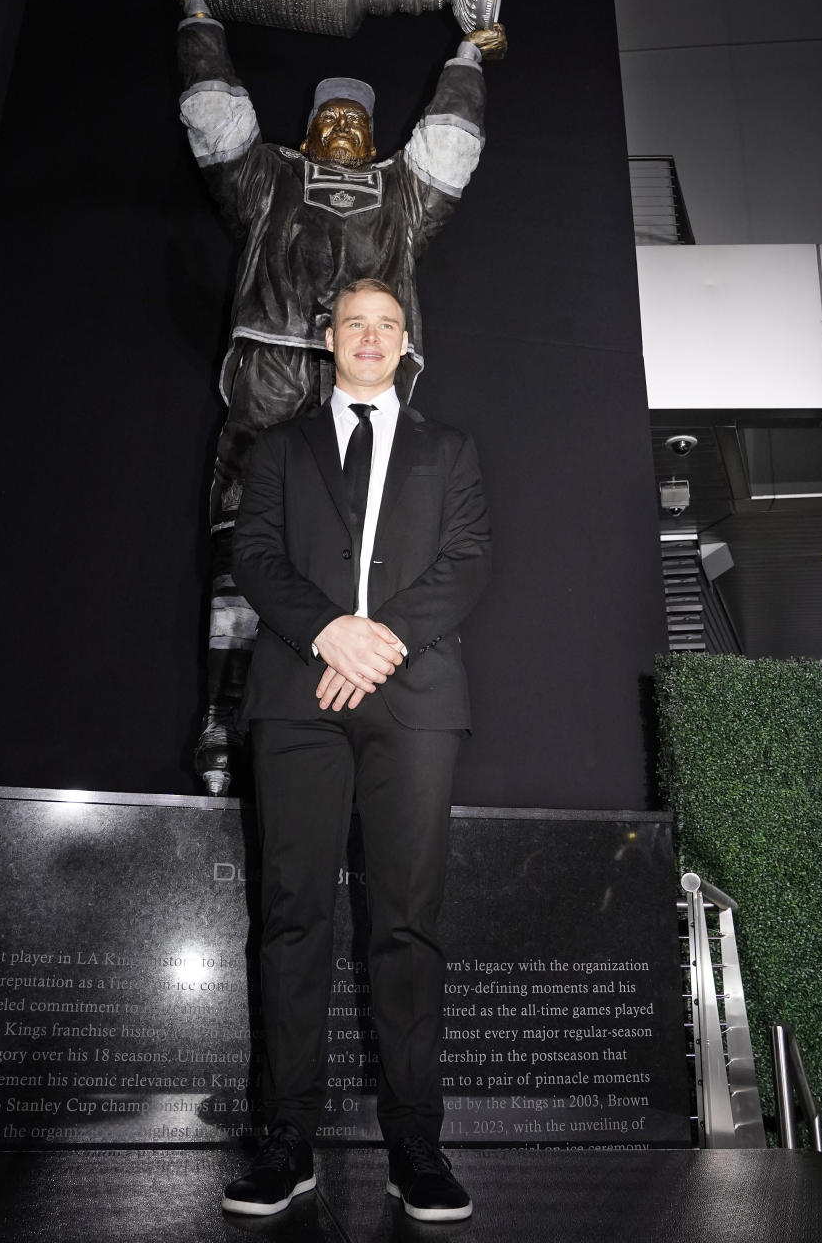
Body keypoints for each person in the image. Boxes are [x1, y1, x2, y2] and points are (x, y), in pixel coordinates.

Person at [173, 0, 505, 792]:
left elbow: (446, 149)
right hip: (270, 396)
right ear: (312, 131)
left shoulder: (401, 199)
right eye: (332, 118)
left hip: (368, 414)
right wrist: (201, 26)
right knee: (242, 562)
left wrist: (467, 56)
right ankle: (227, 715)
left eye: (359, 119)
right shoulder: (268, 183)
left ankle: (359, 716)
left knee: (371, 564)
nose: (348, 127)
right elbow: (219, 127)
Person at [222, 277, 491, 1221]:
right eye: (354, 324)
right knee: (293, 915)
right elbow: (255, 554)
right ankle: (284, 1137)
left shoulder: (447, 449)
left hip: (413, 701)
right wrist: (328, 630)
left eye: (387, 325)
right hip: (300, 695)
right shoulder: (276, 447)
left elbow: (467, 560)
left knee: (408, 923)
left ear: (404, 342)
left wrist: (375, 644)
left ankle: (414, 1140)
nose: (370, 338)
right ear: (326, 338)